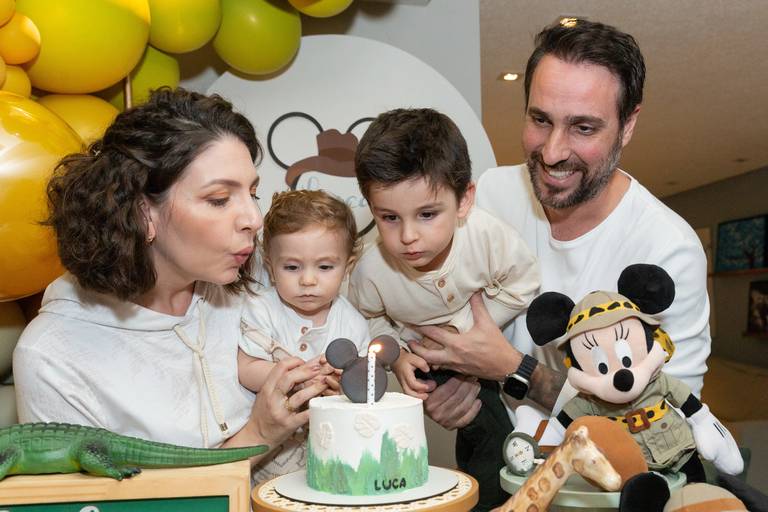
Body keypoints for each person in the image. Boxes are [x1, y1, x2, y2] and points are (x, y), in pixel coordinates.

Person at [410, 18, 711, 454]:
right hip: (499, 454)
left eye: (583, 128)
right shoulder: (491, 195)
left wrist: (516, 369)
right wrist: (452, 380)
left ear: (627, 125)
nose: (552, 152)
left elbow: (670, 423)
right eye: (540, 119)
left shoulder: (668, 249)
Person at [13, 88, 328, 467]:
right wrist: (259, 434)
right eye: (219, 199)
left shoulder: (253, 273)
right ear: (142, 213)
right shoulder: (53, 357)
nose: (253, 219)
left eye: (253, 194)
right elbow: (98, 500)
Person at [347, 107, 540, 510]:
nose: (408, 236)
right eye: (389, 218)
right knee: (423, 447)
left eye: (427, 214)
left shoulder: (485, 236)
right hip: (423, 360)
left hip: (485, 347)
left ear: (464, 200)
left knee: (499, 441)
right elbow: (366, 319)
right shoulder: (371, 270)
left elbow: (523, 282)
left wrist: (468, 334)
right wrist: (397, 356)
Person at [238, 189, 370, 480]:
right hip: (269, 453)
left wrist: (339, 385)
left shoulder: (352, 324)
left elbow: (364, 386)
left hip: (331, 448)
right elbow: (246, 369)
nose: (308, 280)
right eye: (292, 267)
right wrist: (295, 377)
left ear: (347, 267)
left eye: (324, 267)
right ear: (271, 267)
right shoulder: (261, 309)